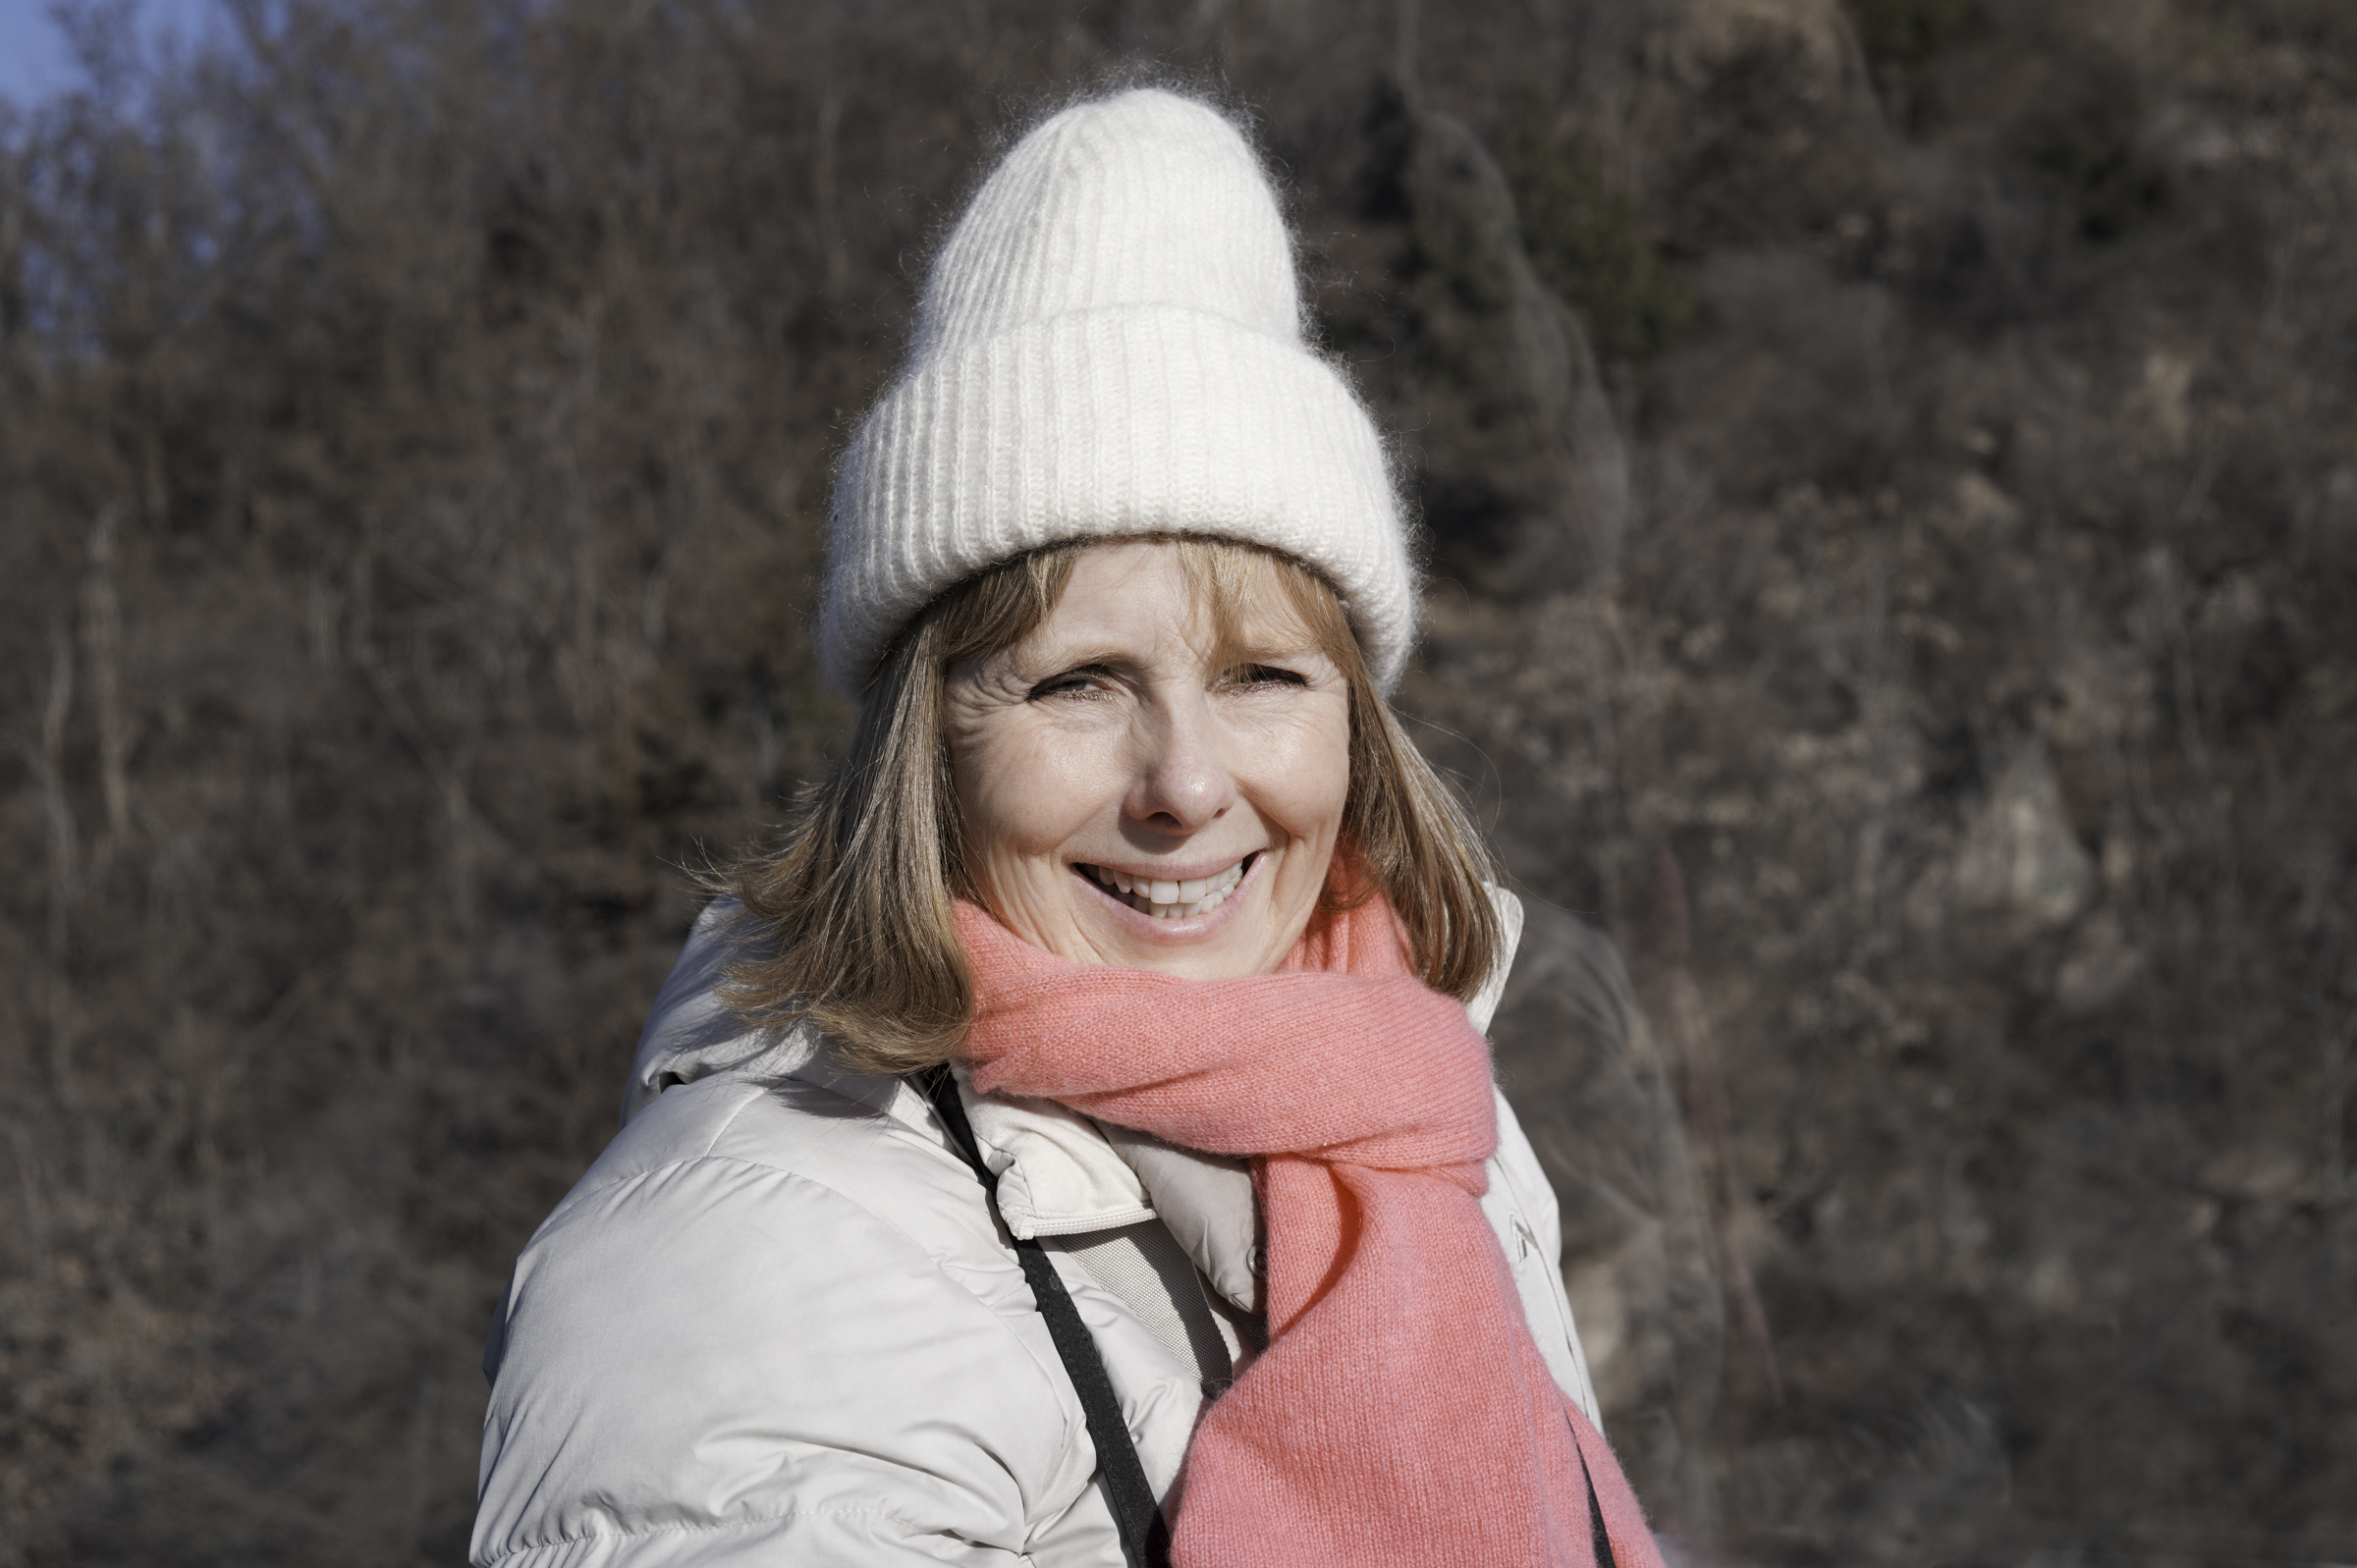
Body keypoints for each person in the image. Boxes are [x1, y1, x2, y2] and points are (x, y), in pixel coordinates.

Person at [469, 87, 1665, 1568]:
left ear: (1356, 719)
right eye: (1080, 681)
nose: (1185, 784)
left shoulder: (1431, 1127)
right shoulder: (757, 1247)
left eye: (1262, 677)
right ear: (929, 738)